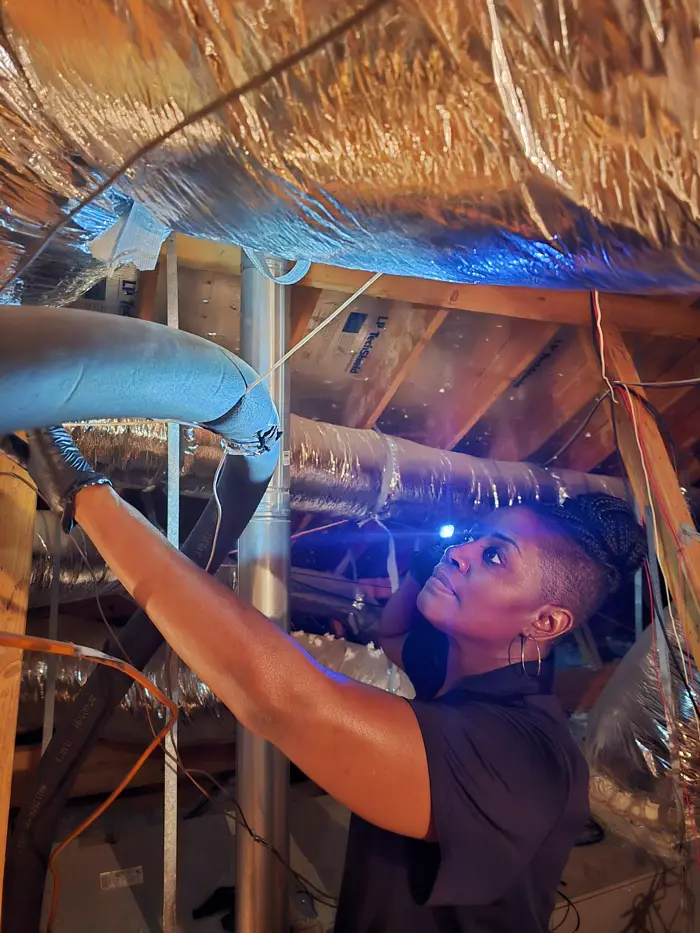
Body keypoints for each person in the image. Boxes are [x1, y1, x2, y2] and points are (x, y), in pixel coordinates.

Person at [4, 428, 647, 933]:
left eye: (495, 557)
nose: (464, 553)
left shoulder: (528, 761)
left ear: (548, 621)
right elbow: (396, 636)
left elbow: (282, 697)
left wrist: (87, 493)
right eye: (476, 542)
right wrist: (438, 555)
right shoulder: (466, 681)